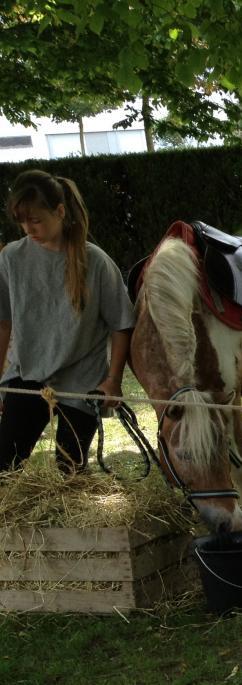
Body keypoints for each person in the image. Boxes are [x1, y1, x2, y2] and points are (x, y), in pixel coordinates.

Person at [0, 170, 134, 473]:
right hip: (29, 375)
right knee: (5, 466)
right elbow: (3, 324)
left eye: (35, 220)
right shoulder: (11, 258)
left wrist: (112, 380)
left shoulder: (95, 261)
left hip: (82, 381)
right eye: (22, 221)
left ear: (60, 212)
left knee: (68, 469)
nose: (27, 228)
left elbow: (121, 324)